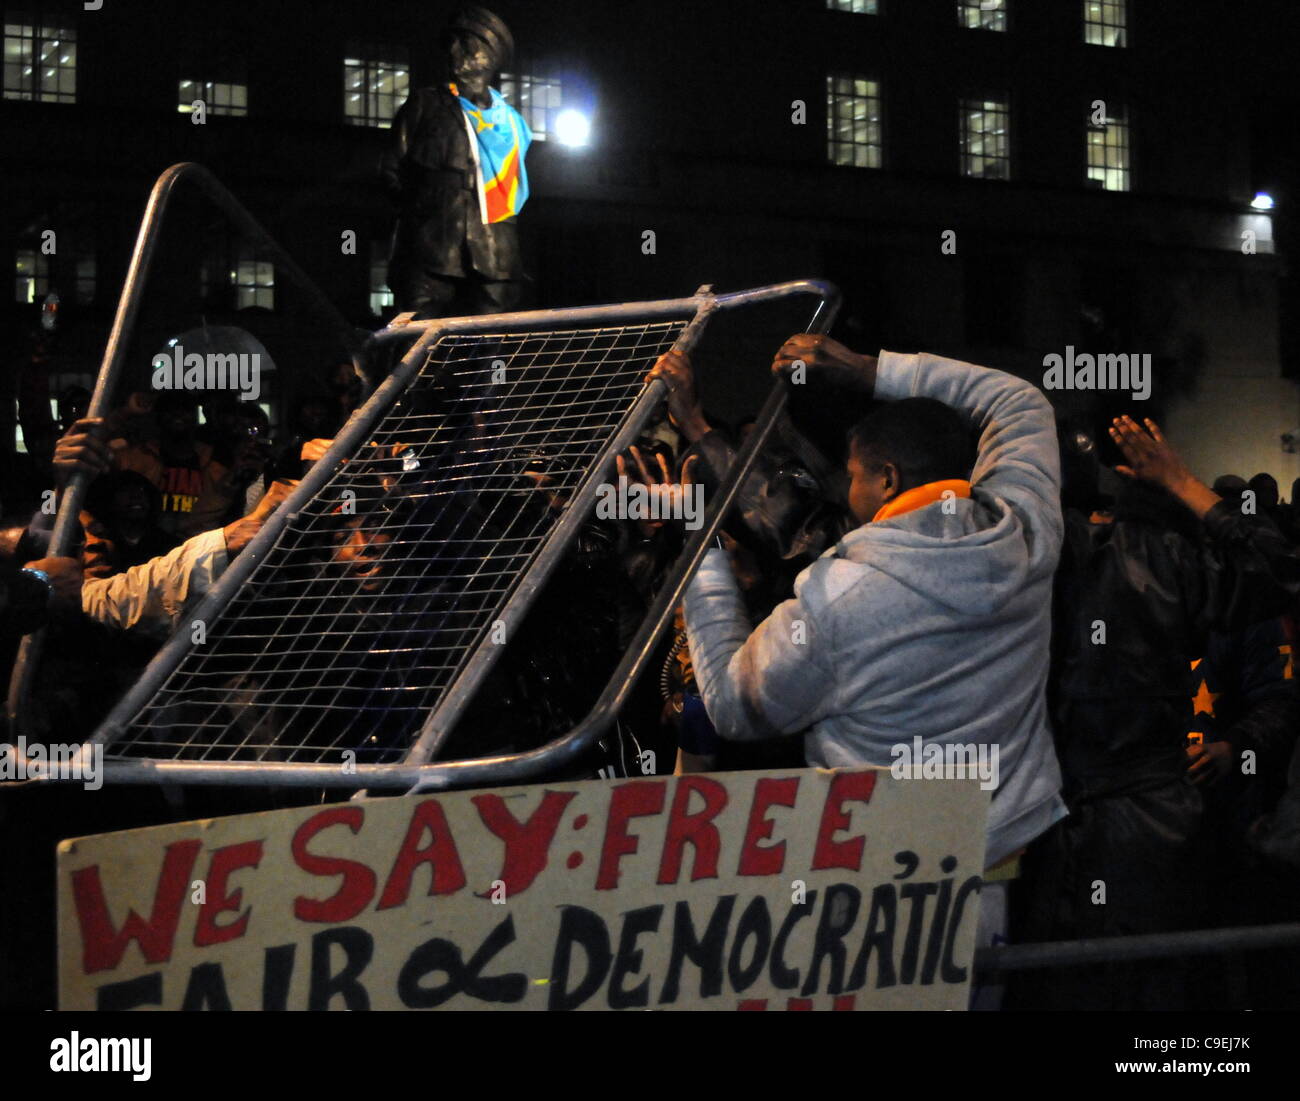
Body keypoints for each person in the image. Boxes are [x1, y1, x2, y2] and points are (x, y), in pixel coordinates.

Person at [661, 334, 1068, 992]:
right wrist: (865, 369)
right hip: (1002, 853)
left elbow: (733, 707)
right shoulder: (1025, 529)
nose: (844, 488)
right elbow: (1018, 399)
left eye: (852, 474)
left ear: (887, 481)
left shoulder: (834, 603)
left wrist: (698, 549)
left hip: (883, 876)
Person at [379, 5, 531, 317]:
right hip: (431, 248)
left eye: (465, 41)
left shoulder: (511, 122)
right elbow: (389, 169)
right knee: (418, 345)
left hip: (494, 252)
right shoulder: (425, 103)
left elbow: (516, 189)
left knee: (493, 346)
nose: (453, 49)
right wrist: (420, 211)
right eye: (451, 41)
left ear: (491, 53)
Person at [114, 392, 239, 539]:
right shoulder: (135, 457)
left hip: (197, 544)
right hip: (145, 543)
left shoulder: (215, 459)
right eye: (170, 409)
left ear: (194, 416)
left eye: (185, 409)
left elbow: (218, 506)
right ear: (158, 416)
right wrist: (125, 413)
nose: (178, 414)